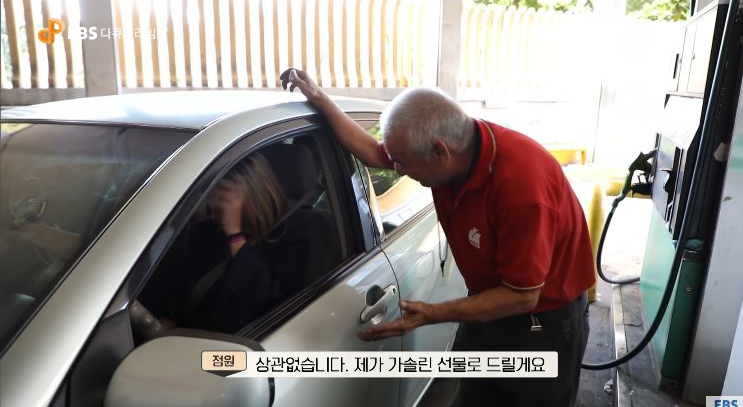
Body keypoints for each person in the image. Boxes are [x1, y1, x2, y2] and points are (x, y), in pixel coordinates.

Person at [280, 68, 595, 407]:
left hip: (541, 324)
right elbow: (373, 152)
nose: (395, 169)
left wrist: (433, 312)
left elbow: (522, 297)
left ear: (440, 153)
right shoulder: (448, 148)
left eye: (401, 163)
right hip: (488, 306)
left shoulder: (521, 188)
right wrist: (320, 99)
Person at [138, 153, 286, 335]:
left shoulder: (285, 242)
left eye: (223, 195)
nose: (211, 201)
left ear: (250, 196)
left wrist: (234, 233)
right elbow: (174, 285)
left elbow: (245, 308)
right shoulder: (208, 233)